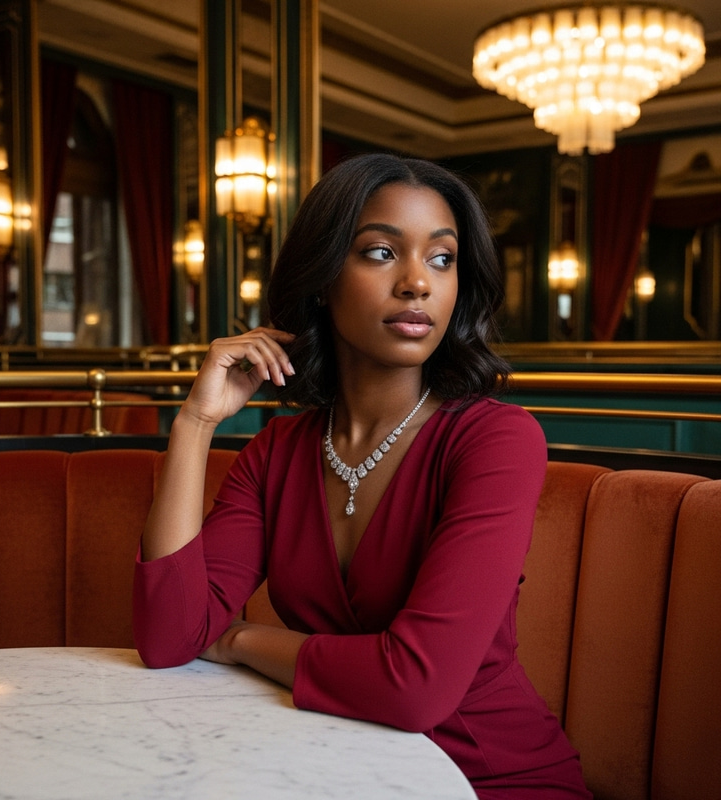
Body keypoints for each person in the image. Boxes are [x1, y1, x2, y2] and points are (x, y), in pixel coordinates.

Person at [133, 153, 592, 800]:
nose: (417, 284)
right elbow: (168, 636)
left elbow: (415, 689)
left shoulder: (495, 441)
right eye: (380, 253)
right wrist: (195, 422)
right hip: (333, 770)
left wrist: (238, 640)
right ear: (323, 278)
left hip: (488, 777)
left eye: (441, 259)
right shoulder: (278, 451)